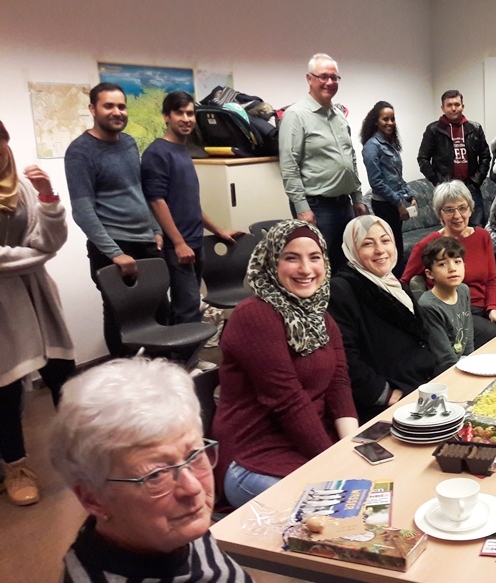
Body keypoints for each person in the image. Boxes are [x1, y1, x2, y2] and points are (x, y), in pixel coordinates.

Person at [48, 357, 425, 583]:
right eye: (158, 475)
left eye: (195, 455)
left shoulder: (164, 532)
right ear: (92, 497)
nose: (194, 489)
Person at [213, 220, 358, 509]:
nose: (306, 269)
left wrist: (351, 450)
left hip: (308, 443)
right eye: (292, 258)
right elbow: (288, 401)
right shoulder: (255, 317)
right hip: (254, 458)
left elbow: (338, 385)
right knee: (339, 509)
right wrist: (336, 465)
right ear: (271, 262)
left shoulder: (319, 316)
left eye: (314, 257)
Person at [0, 121, 75, 506]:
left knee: (62, 371)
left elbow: (51, 240)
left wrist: (48, 196)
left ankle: (80, 450)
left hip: (37, 295)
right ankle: (16, 465)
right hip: (1, 305)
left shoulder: (25, 186)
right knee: (5, 387)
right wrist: (36, 256)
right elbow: (41, 251)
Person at [65, 82, 164, 357]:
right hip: (115, 247)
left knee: (160, 311)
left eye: (121, 106)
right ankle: (125, 379)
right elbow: (82, 210)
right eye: (109, 105)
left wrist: (155, 229)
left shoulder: (130, 143)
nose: (117, 112)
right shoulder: (80, 151)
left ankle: (161, 376)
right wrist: (115, 253)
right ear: (92, 109)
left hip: (146, 241)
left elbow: (138, 191)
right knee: (122, 317)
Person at [142, 90, 242, 325]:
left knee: (190, 305)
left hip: (194, 242)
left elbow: (189, 204)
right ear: (166, 116)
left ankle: (189, 359)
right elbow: (156, 201)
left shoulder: (183, 151)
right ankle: (182, 361)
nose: (186, 119)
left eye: (190, 113)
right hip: (177, 247)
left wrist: (218, 231)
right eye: (179, 113)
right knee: (186, 307)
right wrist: (178, 243)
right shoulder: (157, 153)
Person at [328, 216, 437, 423]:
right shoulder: (341, 289)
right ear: (352, 248)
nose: (380, 250)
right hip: (391, 402)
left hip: (424, 387)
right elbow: (343, 356)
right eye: (368, 244)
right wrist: (384, 394)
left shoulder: (396, 285)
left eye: (385, 241)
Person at [279, 53, 365, 269]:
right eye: (324, 77)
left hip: (344, 203)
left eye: (335, 78)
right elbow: (289, 166)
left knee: (348, 264)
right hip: (317, 206)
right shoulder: (296, 115)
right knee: (320, 267)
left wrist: (357, 197)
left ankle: (341, 304)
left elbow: (350, 158)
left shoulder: (339, 115)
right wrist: (302, 209)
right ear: (310, 78)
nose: (330, 82)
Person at [400, 180, 496, 345]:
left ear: (470, 209)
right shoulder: (428, 245)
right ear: (440, 214)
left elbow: (491, 279)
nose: (457, 216)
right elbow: (404, 283)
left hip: (486, 306)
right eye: (449, 210)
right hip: (457, 314)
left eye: (462, 207)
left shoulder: (482, 236)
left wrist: (493, 309)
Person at [416, 89, 491, 227]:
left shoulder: (474, 128)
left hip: (470, 187)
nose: (453, 108)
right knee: (451, 229)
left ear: (462, 106)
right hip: (447, 189)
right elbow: (423, 159)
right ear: (442, 108)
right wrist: (438, 182)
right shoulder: (433, 130)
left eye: (457, 104)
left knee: (477, 227)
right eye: (449, 105)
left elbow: (485, 156)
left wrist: (476, 181)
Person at [360, 100, 414, 275]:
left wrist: (410, 196)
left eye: (392, 119)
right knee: (391, 248)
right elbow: (377, 183)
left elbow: (396, 177)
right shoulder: (371, 147)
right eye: (385, 119)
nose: (390, 123)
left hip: (395, 202)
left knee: (397, 247)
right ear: (376, 121)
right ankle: (394, 284)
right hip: (385, 205)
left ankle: (400, 283)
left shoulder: (389, 143)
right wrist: (399, 204)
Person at [417, 237, 474, 372]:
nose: (452, 268)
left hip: (461, 362)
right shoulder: (428, 306)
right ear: (430, 274)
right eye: (442, 264)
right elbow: (444, 358)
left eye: (457, 262)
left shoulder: (463, 290)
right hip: (442, 371)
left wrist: (471, 359)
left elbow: (468, 334)